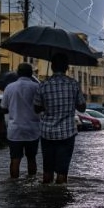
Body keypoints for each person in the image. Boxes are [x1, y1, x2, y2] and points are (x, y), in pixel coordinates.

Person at [34, 53, 87, 184]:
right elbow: (82, 108)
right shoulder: (73, 84)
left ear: (51, 67)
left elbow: (36, 108)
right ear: (67, 67)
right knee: (62, 172)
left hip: (47, 134)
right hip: (67, 133)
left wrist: (47, 106)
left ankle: (47, 199)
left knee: (47, 171)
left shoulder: (43, 85)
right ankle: (60, 198)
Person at [1, 63, 41, 179]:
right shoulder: (37, 87)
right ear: (31, 74)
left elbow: (4, 108)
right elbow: (41, 107)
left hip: (15, 130)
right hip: (32, 130)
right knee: (32, 158)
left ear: (18, 73)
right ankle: (32, 182)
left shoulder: (9, 87)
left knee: (15, 159)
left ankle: (14, 185)